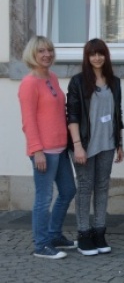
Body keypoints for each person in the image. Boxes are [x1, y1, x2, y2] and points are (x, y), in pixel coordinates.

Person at [19, 35, 77, 259]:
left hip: (60, 148)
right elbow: (28, 121)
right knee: (43, 199)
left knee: (68, 191)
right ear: (32, 54)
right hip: (43, 151)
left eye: (49, 50)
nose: (47, 55)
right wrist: (36, 150)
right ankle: (41, 244)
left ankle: (54, 234)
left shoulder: (51, 77)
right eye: (41, 51)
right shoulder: (29, 83)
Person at [67, 39, 124, 255]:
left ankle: (99, 232)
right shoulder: (78, 82)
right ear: (87, 57)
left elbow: (118, 113)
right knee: (84, 188)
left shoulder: (114, 82)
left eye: (100, 53)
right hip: (84, 143)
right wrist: (78, 146)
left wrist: (119, 143)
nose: (97, 58)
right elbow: (72, 116)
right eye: (93, 54)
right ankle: (83, 233)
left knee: (102, 187)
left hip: (107, 144)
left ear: (106, 56)